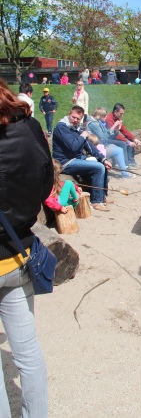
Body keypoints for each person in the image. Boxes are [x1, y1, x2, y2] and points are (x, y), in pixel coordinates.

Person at [0, 78, 53, 417]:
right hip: (19, 252)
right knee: (28, 351)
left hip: (14, 252)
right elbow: (46, 182)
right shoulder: (31, 126)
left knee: (27, 352)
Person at [53, 105, 112, 211]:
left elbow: (89, 146)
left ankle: (102, 196)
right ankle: (96, 202)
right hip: (64, 162)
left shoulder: (77, 129)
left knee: (102, 164)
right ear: (69, 114)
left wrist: (103, 159)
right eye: (73, 117)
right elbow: (73, 147)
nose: (75, 120)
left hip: (77, 159)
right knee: (98, 168)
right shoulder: (61, 127)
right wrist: (83, 135)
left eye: (78, 119)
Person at [86, 108, 136, 179]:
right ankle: (124, 173)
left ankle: (124, 170)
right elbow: (103, 137)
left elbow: (108, 135)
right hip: (96, 148)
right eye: (104, 116)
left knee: (119, 149)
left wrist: (117, 129)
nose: (106, 117)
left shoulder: (97, 122)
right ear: (99, 116)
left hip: (101, 145)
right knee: (119, 150)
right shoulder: (93, 124)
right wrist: (113, 126)